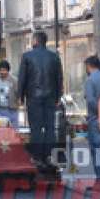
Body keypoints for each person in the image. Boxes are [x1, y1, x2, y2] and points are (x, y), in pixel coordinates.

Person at [17, 31, 63, 173]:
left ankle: (37, 156)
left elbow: (22, 78)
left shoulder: (27, 56)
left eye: (32, 40)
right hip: (50, 96)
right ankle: (49, 155)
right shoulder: (54, 56)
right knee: (50, 128)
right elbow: (59, 78)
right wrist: (58, 97)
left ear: (35, 41)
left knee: (36, 128)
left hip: (33, 97)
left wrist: (20, 96)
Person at [0, 60, 20, 126]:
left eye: (4, 70)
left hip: (11, 111)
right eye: (0, 70)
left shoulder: (14, 80)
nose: (2, 72)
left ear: (8, 70)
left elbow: (19, 93)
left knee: (13, 129)